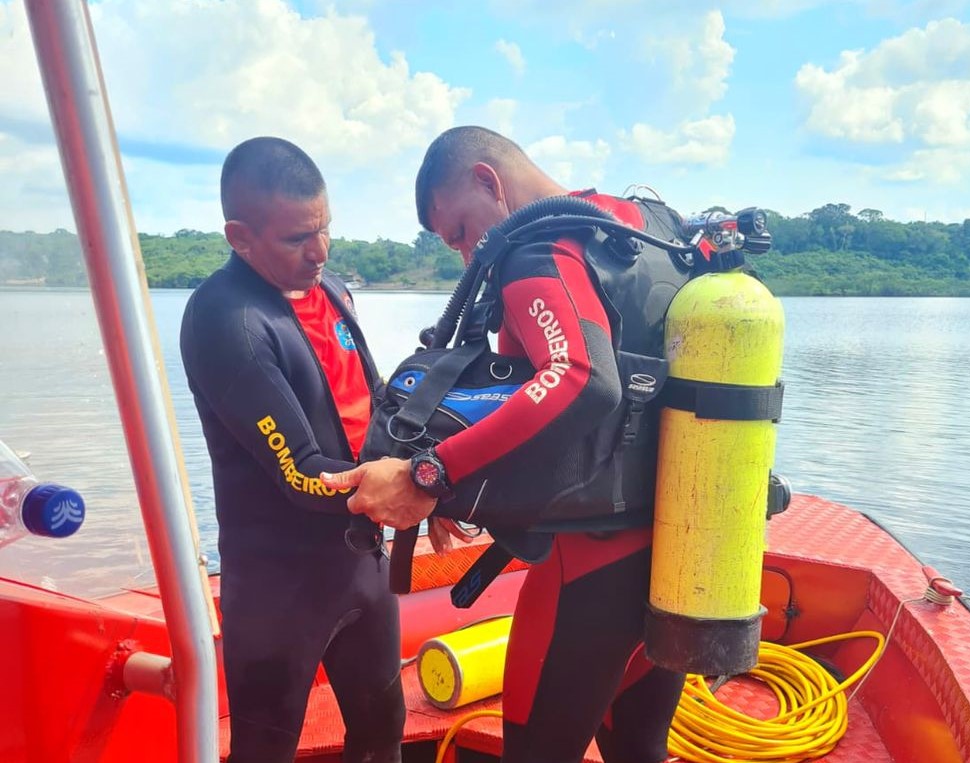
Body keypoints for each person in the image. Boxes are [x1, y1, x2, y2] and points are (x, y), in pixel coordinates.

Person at [321, 126, 685, 763]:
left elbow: (578, 380)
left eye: (460, 232)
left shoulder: (535, 251)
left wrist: (430, 475)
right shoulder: (639, 228)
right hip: (680, 546)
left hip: (590, 568)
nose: (468, 256)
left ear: (489, 182)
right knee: (638, 747)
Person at [180, 136, 404, 763]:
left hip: (362, 566)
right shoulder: (226, 320)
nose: (319, 251)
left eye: (325, 229)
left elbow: (378, 402)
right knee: (264, 750)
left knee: (383, 732)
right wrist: (408, 490)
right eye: (295, 239)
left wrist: (429, 470)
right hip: (279, 585)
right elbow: (300, 475)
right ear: (240, 237)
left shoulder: (332, 291)